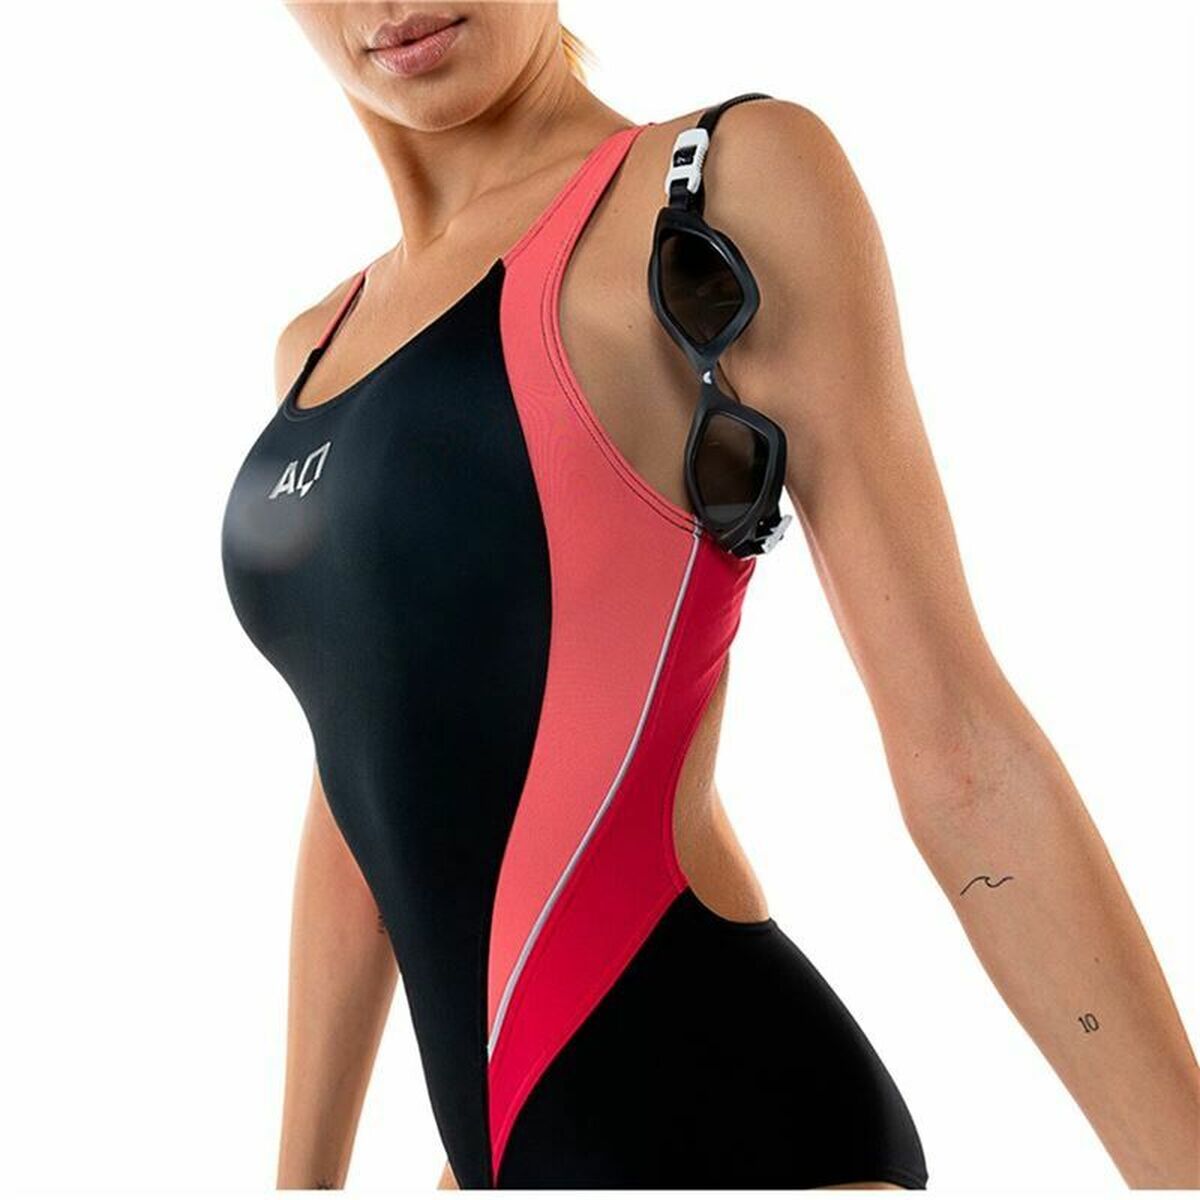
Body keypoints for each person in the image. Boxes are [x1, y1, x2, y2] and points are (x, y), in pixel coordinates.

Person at [220, 2, 1200, 1189]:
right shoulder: (315, 347)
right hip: (509, 1158)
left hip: (725, 1126)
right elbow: (362, 764)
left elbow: (961, 746)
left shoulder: (712, 190)